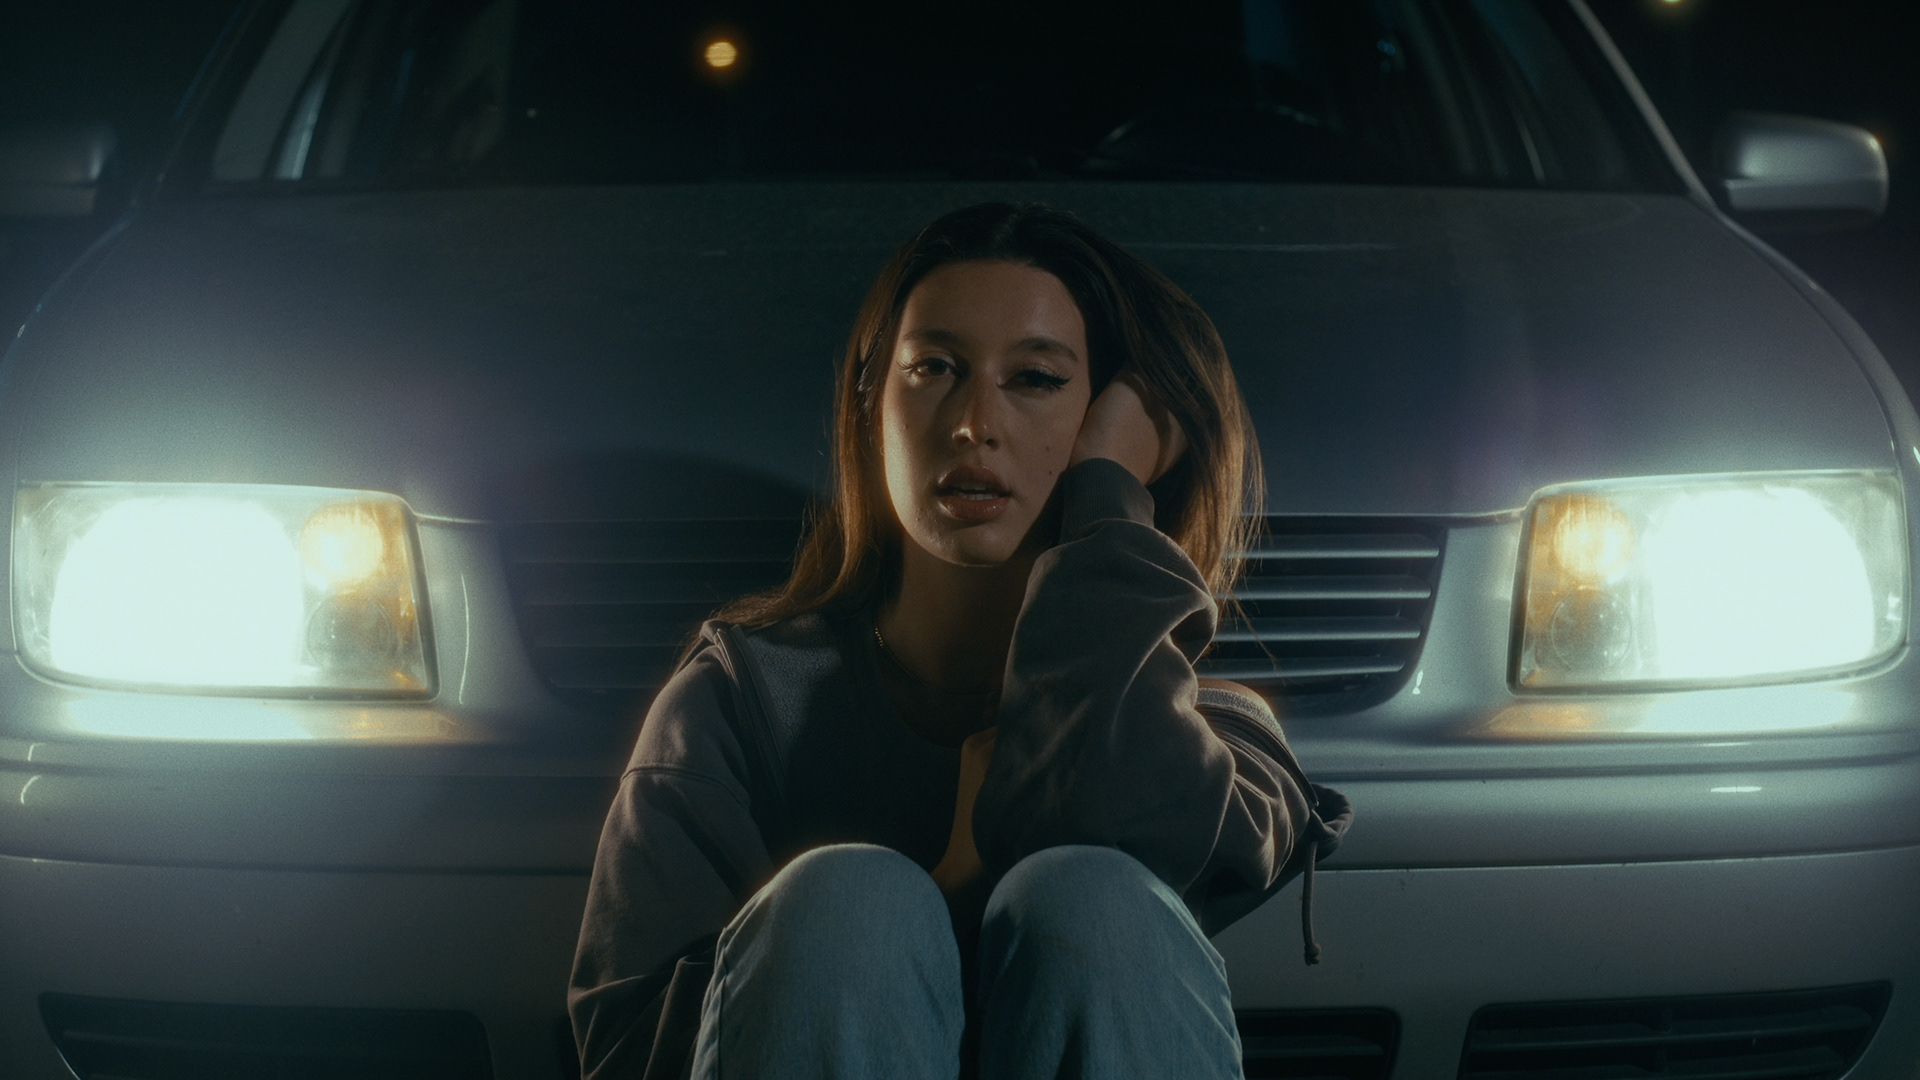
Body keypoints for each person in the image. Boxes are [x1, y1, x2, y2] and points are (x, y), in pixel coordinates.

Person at [568, 203, 1350, 1080]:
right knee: (848, 901)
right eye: (934, 367)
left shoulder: (1213, 737)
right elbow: (626, 1047)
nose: (975, 421)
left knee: (1091, 897)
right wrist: (933, 897)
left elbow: (1120, 855)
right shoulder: (739, 701)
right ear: (872, 402)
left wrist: (1105, 491)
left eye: (1037, 379)